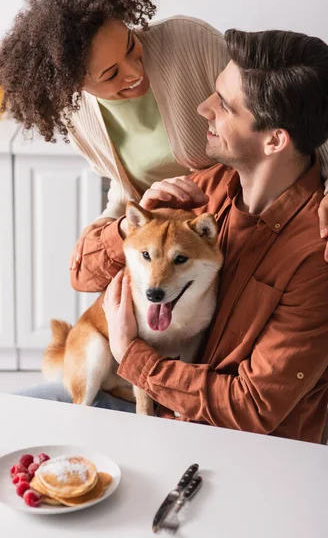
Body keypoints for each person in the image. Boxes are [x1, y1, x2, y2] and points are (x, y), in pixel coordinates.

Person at [0, 0, 328, 262]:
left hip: (239, 229)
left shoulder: (187, 42)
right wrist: (105, 237)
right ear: (74, 85)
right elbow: (126, 194)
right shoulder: (77, 116)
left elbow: (294, 113)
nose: (135, 71)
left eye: (130, 45)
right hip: (169, 249)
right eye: (110, 75)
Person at [71, 28, 328, 444]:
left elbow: (254, 407)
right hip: (158, 407)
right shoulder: (206, 189)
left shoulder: (315, 255)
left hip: (230, 450)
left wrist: (131, 354)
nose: (203, 108)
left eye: (224, 105)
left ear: (275, 139)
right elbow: (81, 273)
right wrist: (136, 226)